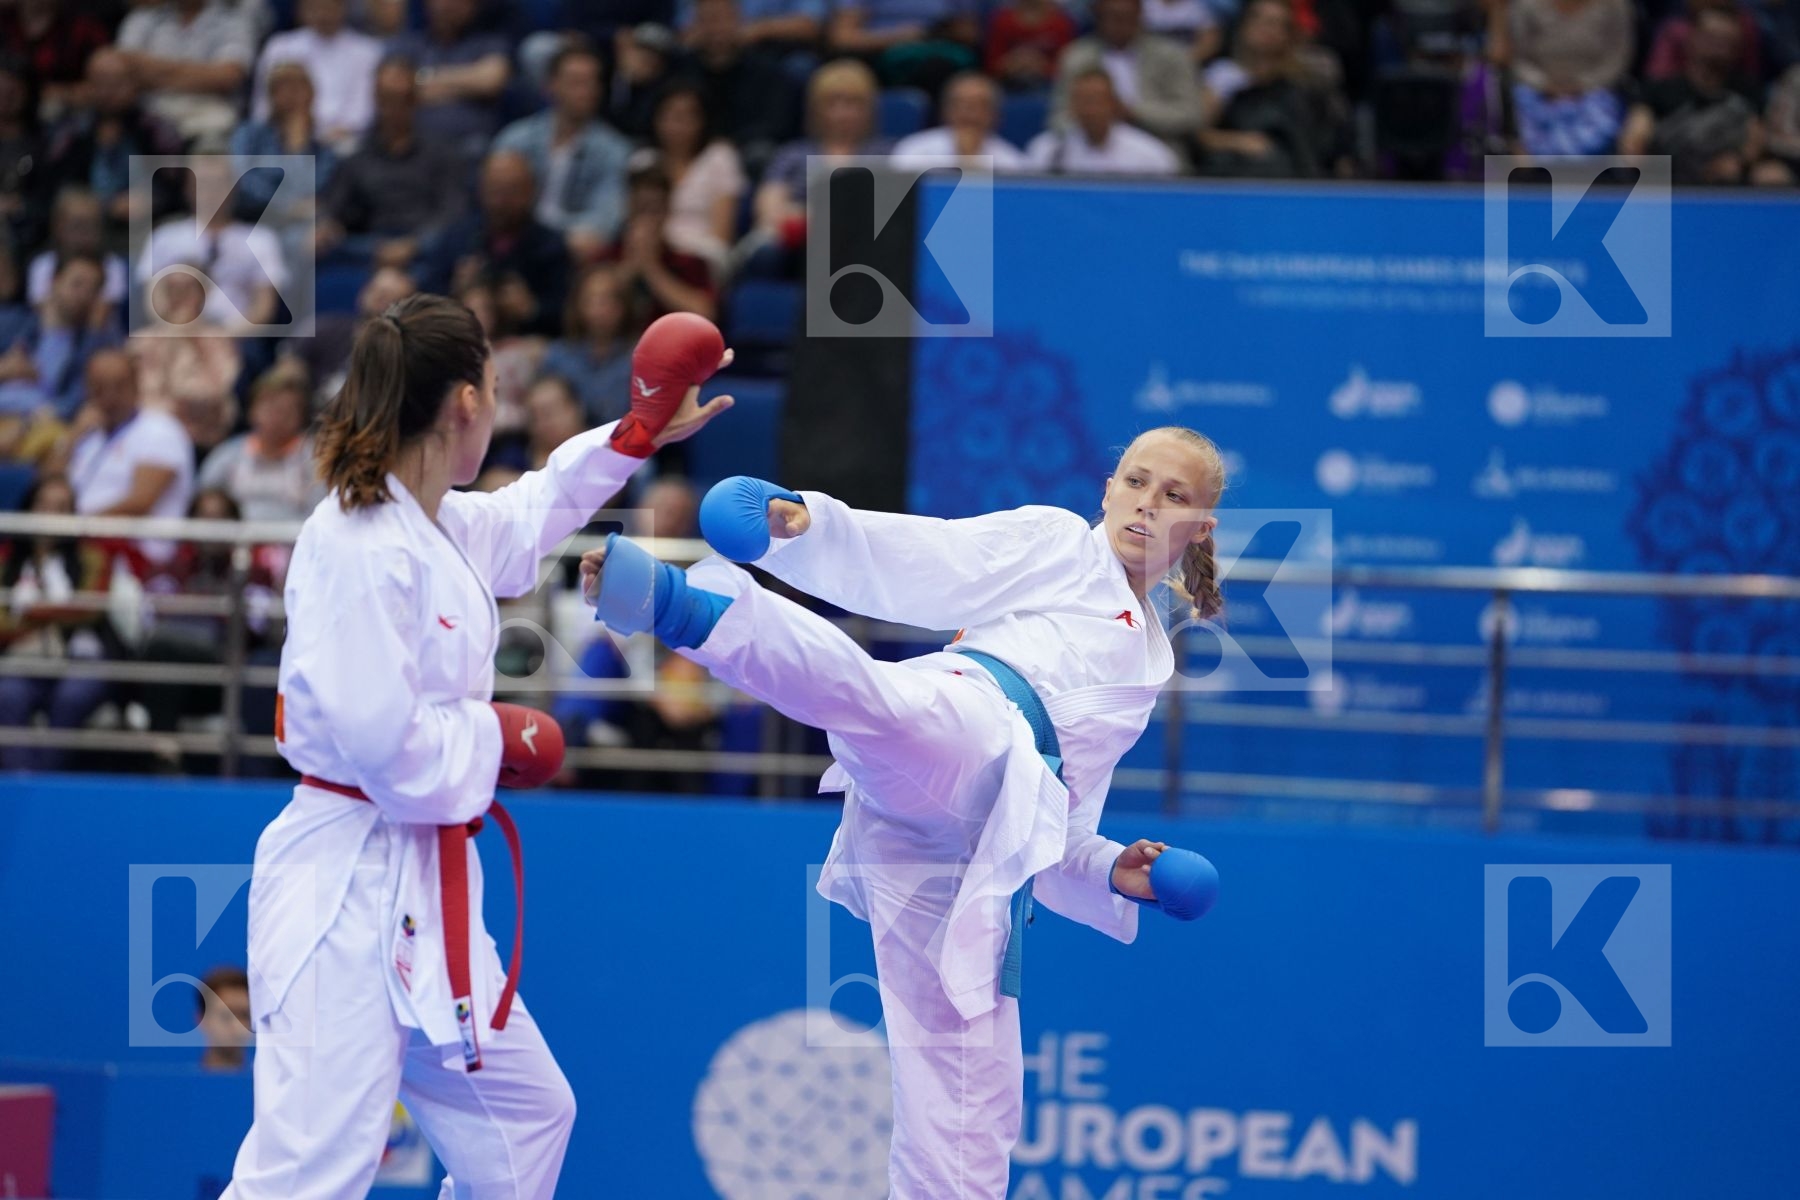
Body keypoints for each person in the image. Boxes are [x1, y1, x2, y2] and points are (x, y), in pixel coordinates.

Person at [581, 424, 1223, 1200]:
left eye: (1173, 496)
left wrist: (1116, 872)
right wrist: (807, 526)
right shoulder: (1061, 544)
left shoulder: (1149, 668)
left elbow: (1062, 832)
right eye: (1136, 481)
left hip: (978, 852)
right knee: (882, 706)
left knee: (971, 1101)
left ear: (1201, 527)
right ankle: (688, 607)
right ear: (1107, 489)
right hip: (972, 720)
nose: (1147, 504)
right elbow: (933, 559)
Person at [219, 297, 734, 1199]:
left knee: (528, 1118)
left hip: (425, 885)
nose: (501, 406)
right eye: (497, 388)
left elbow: (532, 510)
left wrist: (636, 432)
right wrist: (496, 735)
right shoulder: (356, 544)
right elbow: (384, 744)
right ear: (465, 402)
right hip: (343, 885)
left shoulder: (440, 524)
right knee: (311, 1171)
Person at [0, 471, 117, 772]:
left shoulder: (93, 557)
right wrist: (56, 613)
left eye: (61, 508)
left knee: (73, 696)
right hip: (21, 658)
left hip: (80, 656)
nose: (50, 516)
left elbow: (90, 608)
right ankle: (23, 781)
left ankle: (45, 783)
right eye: (43, 505)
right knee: (7, 695)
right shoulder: (5, 560)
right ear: (28, 509)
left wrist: (29, 612)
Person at [316, 56, 468, 270]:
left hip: (424, 251)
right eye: (385, 99)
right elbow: (334, 207)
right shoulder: (358, 157)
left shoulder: (442, 155)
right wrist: (326, 225)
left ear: (414, 100)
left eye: (400, 99)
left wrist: (414, 244)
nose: (392, 108)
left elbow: (451, 212)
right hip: (369, 249)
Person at [491, 40, 633, 262]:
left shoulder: (615, 151)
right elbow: (493, 204)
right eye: (576, 82)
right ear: (551, 86)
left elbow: (602, 224)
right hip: (519, 247)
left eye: (592, 82)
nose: (586, 91)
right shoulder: (516, 138)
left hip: (572, 257)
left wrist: (545, 237)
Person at [54, 349, 195, 567]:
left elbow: (140, 503)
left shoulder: (160, 429)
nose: (109, 396)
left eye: (118, 386)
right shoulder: (89, 435)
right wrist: (73, 436)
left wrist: (77, 527)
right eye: (99, 387)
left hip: (137, 553)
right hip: (82, 549)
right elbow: (47, 485)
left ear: (136, 385)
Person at [416, 150, 572, 338]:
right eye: (494, 190)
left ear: (531, 191)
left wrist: (532, 310)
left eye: (512, 191)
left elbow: (568, 311)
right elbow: (425, 294)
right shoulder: (458, 237)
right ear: (481, 190)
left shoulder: (550, 246)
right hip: (460, 340)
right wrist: (455, 290)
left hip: (527, 342)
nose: (501, 201)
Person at [1052, 0, 1206, 148]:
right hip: (1087, 147)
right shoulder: (1076, 56)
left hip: (1159, 143)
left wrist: (1133, 113)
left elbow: (1191, 115)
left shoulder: (1171, 56)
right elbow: (1059, 118)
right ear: (1098, 16)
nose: (1119, 24)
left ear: (1140, 15)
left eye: (1127, 16)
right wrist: (1094, 121)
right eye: (1112, 16)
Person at [633, 82, 747, 268]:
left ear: (702, 120)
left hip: (702, 254)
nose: (677, 125)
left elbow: (722, 235)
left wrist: (677, 250)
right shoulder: (643, 161)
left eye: (685, 117)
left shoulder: (720, 157)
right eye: (669, 116)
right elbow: (635, 221)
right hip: (652, 250)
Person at [112, 0, 257, 145]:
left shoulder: (234, 21)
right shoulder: (143, 18)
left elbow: (227, 78)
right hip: (148, 122)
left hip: (208, 121)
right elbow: (120, 69)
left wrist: (148, 70)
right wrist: (198, 73)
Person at [384, 0, 512, 161]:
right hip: (415, 146)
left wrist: (422, 79)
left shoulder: (488, 43)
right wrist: (468, 85)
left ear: (473, 6)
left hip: (470, 144)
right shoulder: (409, 44)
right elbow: (393, 88)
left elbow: (490, 82)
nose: (448, 5)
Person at [196, 365, 327, 522]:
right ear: (252, 410)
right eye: (271, 408)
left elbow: (322, 514)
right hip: (236, 536)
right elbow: (202, 506)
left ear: (302, 416)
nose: (278, 417)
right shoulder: (226, 456)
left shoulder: (315, 461)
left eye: (287, 410)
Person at [252, 0, 384, 154]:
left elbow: (363, 110)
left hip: (343, 140)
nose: (322, 13)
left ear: (343, 7)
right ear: (302, 9)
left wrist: (338, 131)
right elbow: (262, 106)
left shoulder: (367, 52)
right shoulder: (280, 46)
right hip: (281, 136)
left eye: (329, 6)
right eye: (315, 6)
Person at [0, 253, 121, 421]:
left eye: (93, 289)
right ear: (54, 282)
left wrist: (94, 334)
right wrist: (4, 370)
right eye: (77, 284)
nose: (83, 295)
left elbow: (72, 402)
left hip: (36, 425)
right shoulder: (13, 324)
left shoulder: (95, 346)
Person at [1503, 0, 1633, 156]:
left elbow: (1617, 59)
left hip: (1595, 90)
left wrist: (1582, 85)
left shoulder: (1614, 5)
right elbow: (1517, 58)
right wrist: (1544, 84)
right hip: (1537, 90)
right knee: (1519, 116)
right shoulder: (1526, 5)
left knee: (1602, 119)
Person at [1026, 66, 1182, 172]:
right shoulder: (1047, 151)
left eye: (1096, 101)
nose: (1090, 110)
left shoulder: (1150, 156)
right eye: (1083, 101)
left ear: (1114, 104)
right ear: (1072, 107)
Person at [540, 262, 635, 422]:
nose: (598, 310)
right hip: (573, 437)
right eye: (590, 301)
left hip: (628, 436)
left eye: (606, 300)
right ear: (577, 305)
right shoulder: (558, 357)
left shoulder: (640, 357)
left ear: (623, 305)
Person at [890, 70, 1030, 169]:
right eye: (960, 104)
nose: (969, 113)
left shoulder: (1012, 162)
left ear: (996, 114)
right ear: (945, 110)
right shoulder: (914, 150)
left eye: (980, 105)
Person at [984, 0, 1078, 91]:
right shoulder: (1002, 21)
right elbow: (992, 64)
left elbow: (1066, 65)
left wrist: (1042, 66)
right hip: (1005, 83)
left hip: (1049, 85)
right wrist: (1011, 64)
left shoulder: (1061, 24)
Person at [198, 964, 255, 1072]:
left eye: (244, 1015)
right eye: (226, 1016)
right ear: (201, 1019)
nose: (237, 1026)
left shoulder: (269, 1082)